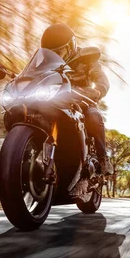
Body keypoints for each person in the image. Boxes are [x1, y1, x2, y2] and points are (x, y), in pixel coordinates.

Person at [40, 23, 113, 175]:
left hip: (82, 101)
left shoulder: (85, 58)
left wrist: (97, 91)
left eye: (61, 51)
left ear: (71, 45)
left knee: (94, 116)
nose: (59, 56)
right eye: (54, 53)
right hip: (54, 100)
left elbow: (101, 79)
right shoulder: (46, 63)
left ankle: (102, 157)